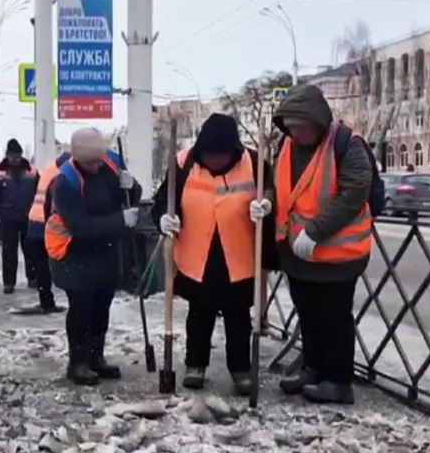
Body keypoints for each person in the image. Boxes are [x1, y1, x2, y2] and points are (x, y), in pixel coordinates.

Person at [150, 113, 275, 395]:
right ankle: (195, 365)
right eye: (210, 156)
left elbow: (271, 192)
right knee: (199, 313)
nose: (215, 161)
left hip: (239, 253)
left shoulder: (254, 162)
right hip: (197, 253)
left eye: (221, 156)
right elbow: (163, 201)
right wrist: (163, 219)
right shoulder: (183, 163)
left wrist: (266, 205)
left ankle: (241, 369)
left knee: (238, 316)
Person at [264, 84, 373, 405]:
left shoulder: (346, 143)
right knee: (308, 315)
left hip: (338, 254)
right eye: (291, 127)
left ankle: (338, 381)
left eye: (302, 127)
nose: (297, 134)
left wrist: (315, 231)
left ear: (318, 121)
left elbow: (354, 192)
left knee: (334, 318)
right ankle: (312, 369)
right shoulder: (286, 145)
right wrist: (267, 202)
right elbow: (277, 185)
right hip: (298, 254)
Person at [45, 128, 142, 385]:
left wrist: (131, 186)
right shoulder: (65, 183)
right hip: (75, 255)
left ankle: (96, 357)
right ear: (78, 158)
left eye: (99, 160)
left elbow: (130, 196)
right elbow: (81, 226)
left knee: (101, 307)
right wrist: (119, 220)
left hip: (105, 252)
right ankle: (78, 363)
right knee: (81, 309)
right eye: (91, 163)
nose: (97, 166)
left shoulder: (109, 167)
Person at [26, 147, 72, 312]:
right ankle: (49, 303)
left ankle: (45, 300)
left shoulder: (49, 169)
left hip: (34, 222)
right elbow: (56, 205)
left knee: (41, 266)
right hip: (45, 225)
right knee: (55, 264)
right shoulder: (61, 176)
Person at [0, 138, 39, 294]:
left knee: (31, 250)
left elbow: (39, 192)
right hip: (7, 218)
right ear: (7, 156)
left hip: (28, 216)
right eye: (13, 157)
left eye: (18, 156)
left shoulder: (32, 171)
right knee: (9, 252)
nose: (16, 160)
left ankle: (33, 278)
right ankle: (8, 282)